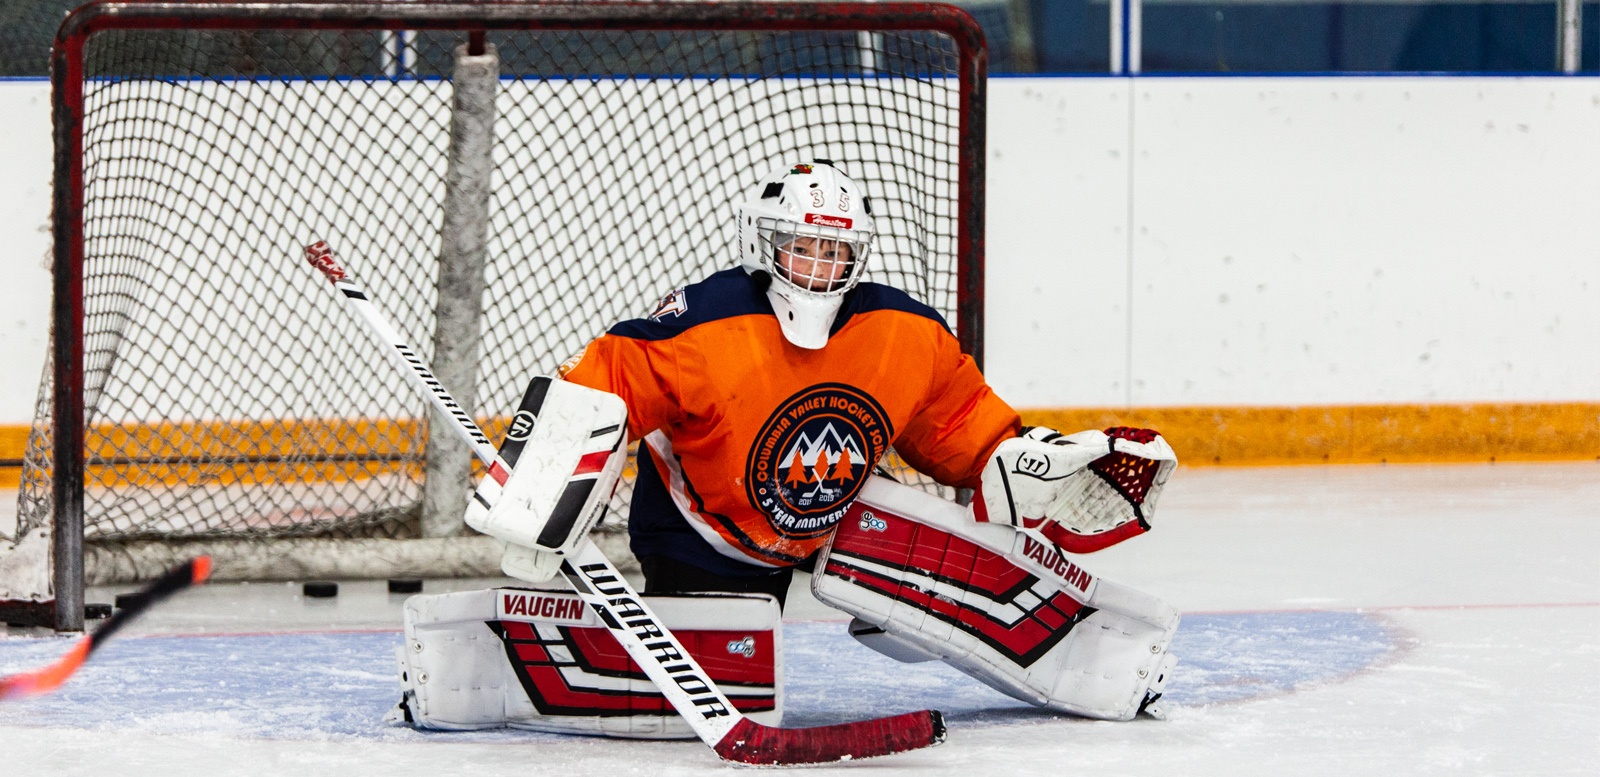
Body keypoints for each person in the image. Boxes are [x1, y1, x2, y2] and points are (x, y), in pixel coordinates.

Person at [556, 160, 1021, 607]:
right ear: (765, 245)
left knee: (940, 568)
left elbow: (961, 425)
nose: (818, 268)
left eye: (835, 252)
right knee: (736, 672)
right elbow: (601, 389)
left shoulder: (904, 332)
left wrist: (1027, 470)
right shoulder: (705, 324)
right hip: (700, 537)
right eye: (801, 248)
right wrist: (543, 482)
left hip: (828, 527)